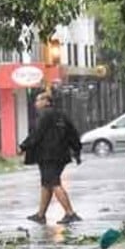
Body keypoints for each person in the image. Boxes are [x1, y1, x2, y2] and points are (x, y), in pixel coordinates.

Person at [20, 90, 83, 225]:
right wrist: (77, 151)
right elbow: (73, 133)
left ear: (46, 102)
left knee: (53, 183)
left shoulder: (45, 115)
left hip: (48, 156)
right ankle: (41, 215)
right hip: (61, 155)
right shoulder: (62, 115)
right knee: (46, 184)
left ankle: (70, 213)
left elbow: (37, 133)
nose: (36, 103)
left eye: (38, 100)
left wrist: (23, 146)